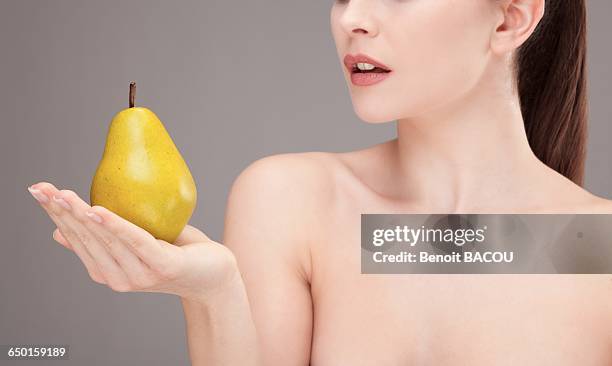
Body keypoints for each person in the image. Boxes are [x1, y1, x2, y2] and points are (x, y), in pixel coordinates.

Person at [28, 0, 612, 364]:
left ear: (510, 18)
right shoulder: (290, 200)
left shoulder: (597, 246)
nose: (352, 17)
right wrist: (213, 296)